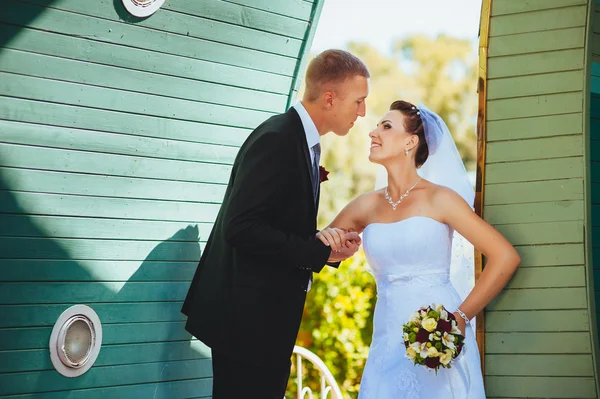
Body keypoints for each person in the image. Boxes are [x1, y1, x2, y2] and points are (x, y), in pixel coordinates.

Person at [181, 49, 370, 399]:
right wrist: (313, 250)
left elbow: (271, 224)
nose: (363, 112)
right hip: (248, 325)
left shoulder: (300, 142)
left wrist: (325, 248)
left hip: (263, 326)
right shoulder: (278, 139)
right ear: (329, 98)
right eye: (358, 101)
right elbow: (240, 227)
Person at [316, 100, 520, 398]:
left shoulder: (441, 199)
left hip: (438, 334)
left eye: (386, 126)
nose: (373, 132)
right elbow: (319, 250)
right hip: (387, 338)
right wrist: (336, 248)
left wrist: (459, 318)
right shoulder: (364, 205)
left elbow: (505, 257)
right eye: (377, 126)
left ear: (410, 142)